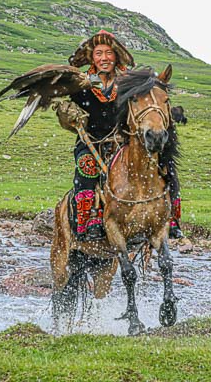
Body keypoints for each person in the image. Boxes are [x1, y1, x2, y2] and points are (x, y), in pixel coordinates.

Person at [55, 30, 183, 240]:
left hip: (124, 139)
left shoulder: (130, 82)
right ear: (91, 57)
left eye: (108, 53)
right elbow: (65, 106)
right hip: (91, 141)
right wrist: (67, 113)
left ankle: (171, 218)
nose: (104, 58)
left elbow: (151, 101)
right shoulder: (82, 83)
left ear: (116, 55)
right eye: (98, 53)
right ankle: (89, 220)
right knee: (87, 168)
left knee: (165, 166)